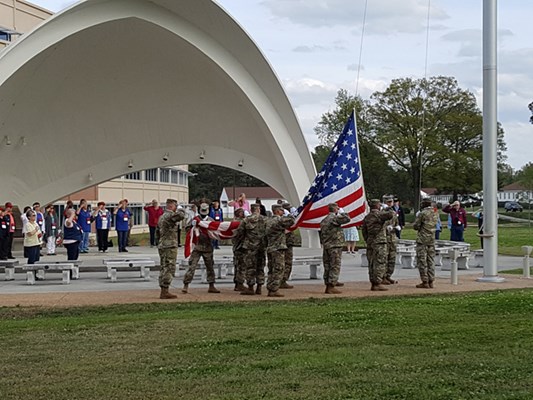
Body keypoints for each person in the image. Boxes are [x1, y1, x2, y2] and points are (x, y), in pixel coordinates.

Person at [182, 203, 219, 294]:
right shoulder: (194, 220)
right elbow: (187, 231)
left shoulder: (211, 220)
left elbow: (216, 231)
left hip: (207, 247)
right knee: (192, 266)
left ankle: (211, 285)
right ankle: (186, 285)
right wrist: (191, 227)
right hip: (197, 247)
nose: (203, 213)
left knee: (210, 267)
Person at [361, 199, 395, 291]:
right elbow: (391, 214)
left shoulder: (367, 217)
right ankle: (377, 283)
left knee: (371, 263)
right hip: (380, 242)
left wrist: (368, 239)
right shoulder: (379, 215)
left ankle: (373, 282)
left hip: (370, 242)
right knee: (380, 262)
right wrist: (388, 208)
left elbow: (364, 230)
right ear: (377, 206)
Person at [156, 199, 186, 299]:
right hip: (169, 245)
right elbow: (181, 216)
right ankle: (165, 289)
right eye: (175, 206)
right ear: (171, 206)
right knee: (170, 267)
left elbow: (157, 232)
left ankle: (163, 289)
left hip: (162, 244)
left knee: (163, 267)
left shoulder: (161, 217)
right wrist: (181, 210)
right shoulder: (169, 216)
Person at [319, 203, 351, 294]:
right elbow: (347, 219)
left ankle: (329, 283)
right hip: (335, 245)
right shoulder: (334, 219)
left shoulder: (324, 220)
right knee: (335, 265)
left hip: (327, 245)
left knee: (328, 265)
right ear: (335, 209)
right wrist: (343, 213)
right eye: (337, 208)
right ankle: (331, 285)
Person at [264, 204, 295, 297]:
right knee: (279, 269)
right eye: (282, 211)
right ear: (277, 211)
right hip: (278, 248)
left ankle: (270, 287)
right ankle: (274, 289)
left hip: (270, 247)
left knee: (271, 269)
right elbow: (292, 221)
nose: (283, 212)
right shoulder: (278, 220)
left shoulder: (268, 221)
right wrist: (289, 213)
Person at [238, 203, 267, 295]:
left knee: (250, 267)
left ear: (251, 210)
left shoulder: (246, 220)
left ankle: (250, 287)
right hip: (261, 247)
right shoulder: (265, 220)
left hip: (250, 247)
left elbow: (240, 232)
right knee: (260, 267)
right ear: (259, 210)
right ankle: (259, 287)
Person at [413, 198, 438, 288]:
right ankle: (431, 280)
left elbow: (416, 226)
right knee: (430, 260)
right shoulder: (435, 213)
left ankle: (425, 281)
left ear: (424, 204)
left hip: (422, 239)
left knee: (422, 261)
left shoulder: (422, 213)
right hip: (431, 239)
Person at [382, 195, 400, 285]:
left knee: (392, 259)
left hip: (392, 238)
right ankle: (383, 277)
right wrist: (386, 228)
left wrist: (397, 227)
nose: (390, 203)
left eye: (391, 202)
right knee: (384, 258)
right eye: (388, 202)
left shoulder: (393, 212)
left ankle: (388, 276)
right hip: (385, 238)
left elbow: (396, 222)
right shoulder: (381, 212)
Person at [280, 203, 298, 289]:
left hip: (285, 243)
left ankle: (282, 280)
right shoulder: (284, 220)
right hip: (285, 243)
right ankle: (282, 280)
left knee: (284, 262)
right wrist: (290, 216)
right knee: (286, 262)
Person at [231, 208, 246, 292]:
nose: (243, 213)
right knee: (241, 265)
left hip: (237, 246)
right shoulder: (239, 222)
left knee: (237, 265)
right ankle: (239, 283)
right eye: (241, 212)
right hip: (240, 246)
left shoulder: (235, 222)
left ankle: (237, 283)